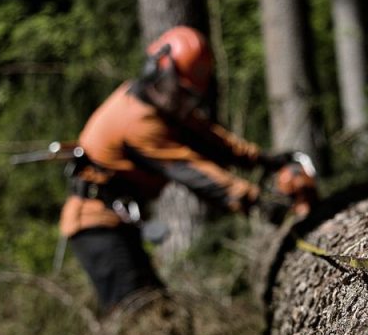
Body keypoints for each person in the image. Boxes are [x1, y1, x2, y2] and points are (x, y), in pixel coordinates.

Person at [59, 26, 300, 312]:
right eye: (180, 91)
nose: (184, 101)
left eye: (189, 94)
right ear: (157, 72)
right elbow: (191, 170)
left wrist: (262, 159)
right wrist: (255, 200)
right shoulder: (136, 121)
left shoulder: (160, 107)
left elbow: (209, 138)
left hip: (117, 221)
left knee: (156, 305)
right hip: (94, 226)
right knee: (135, 311)